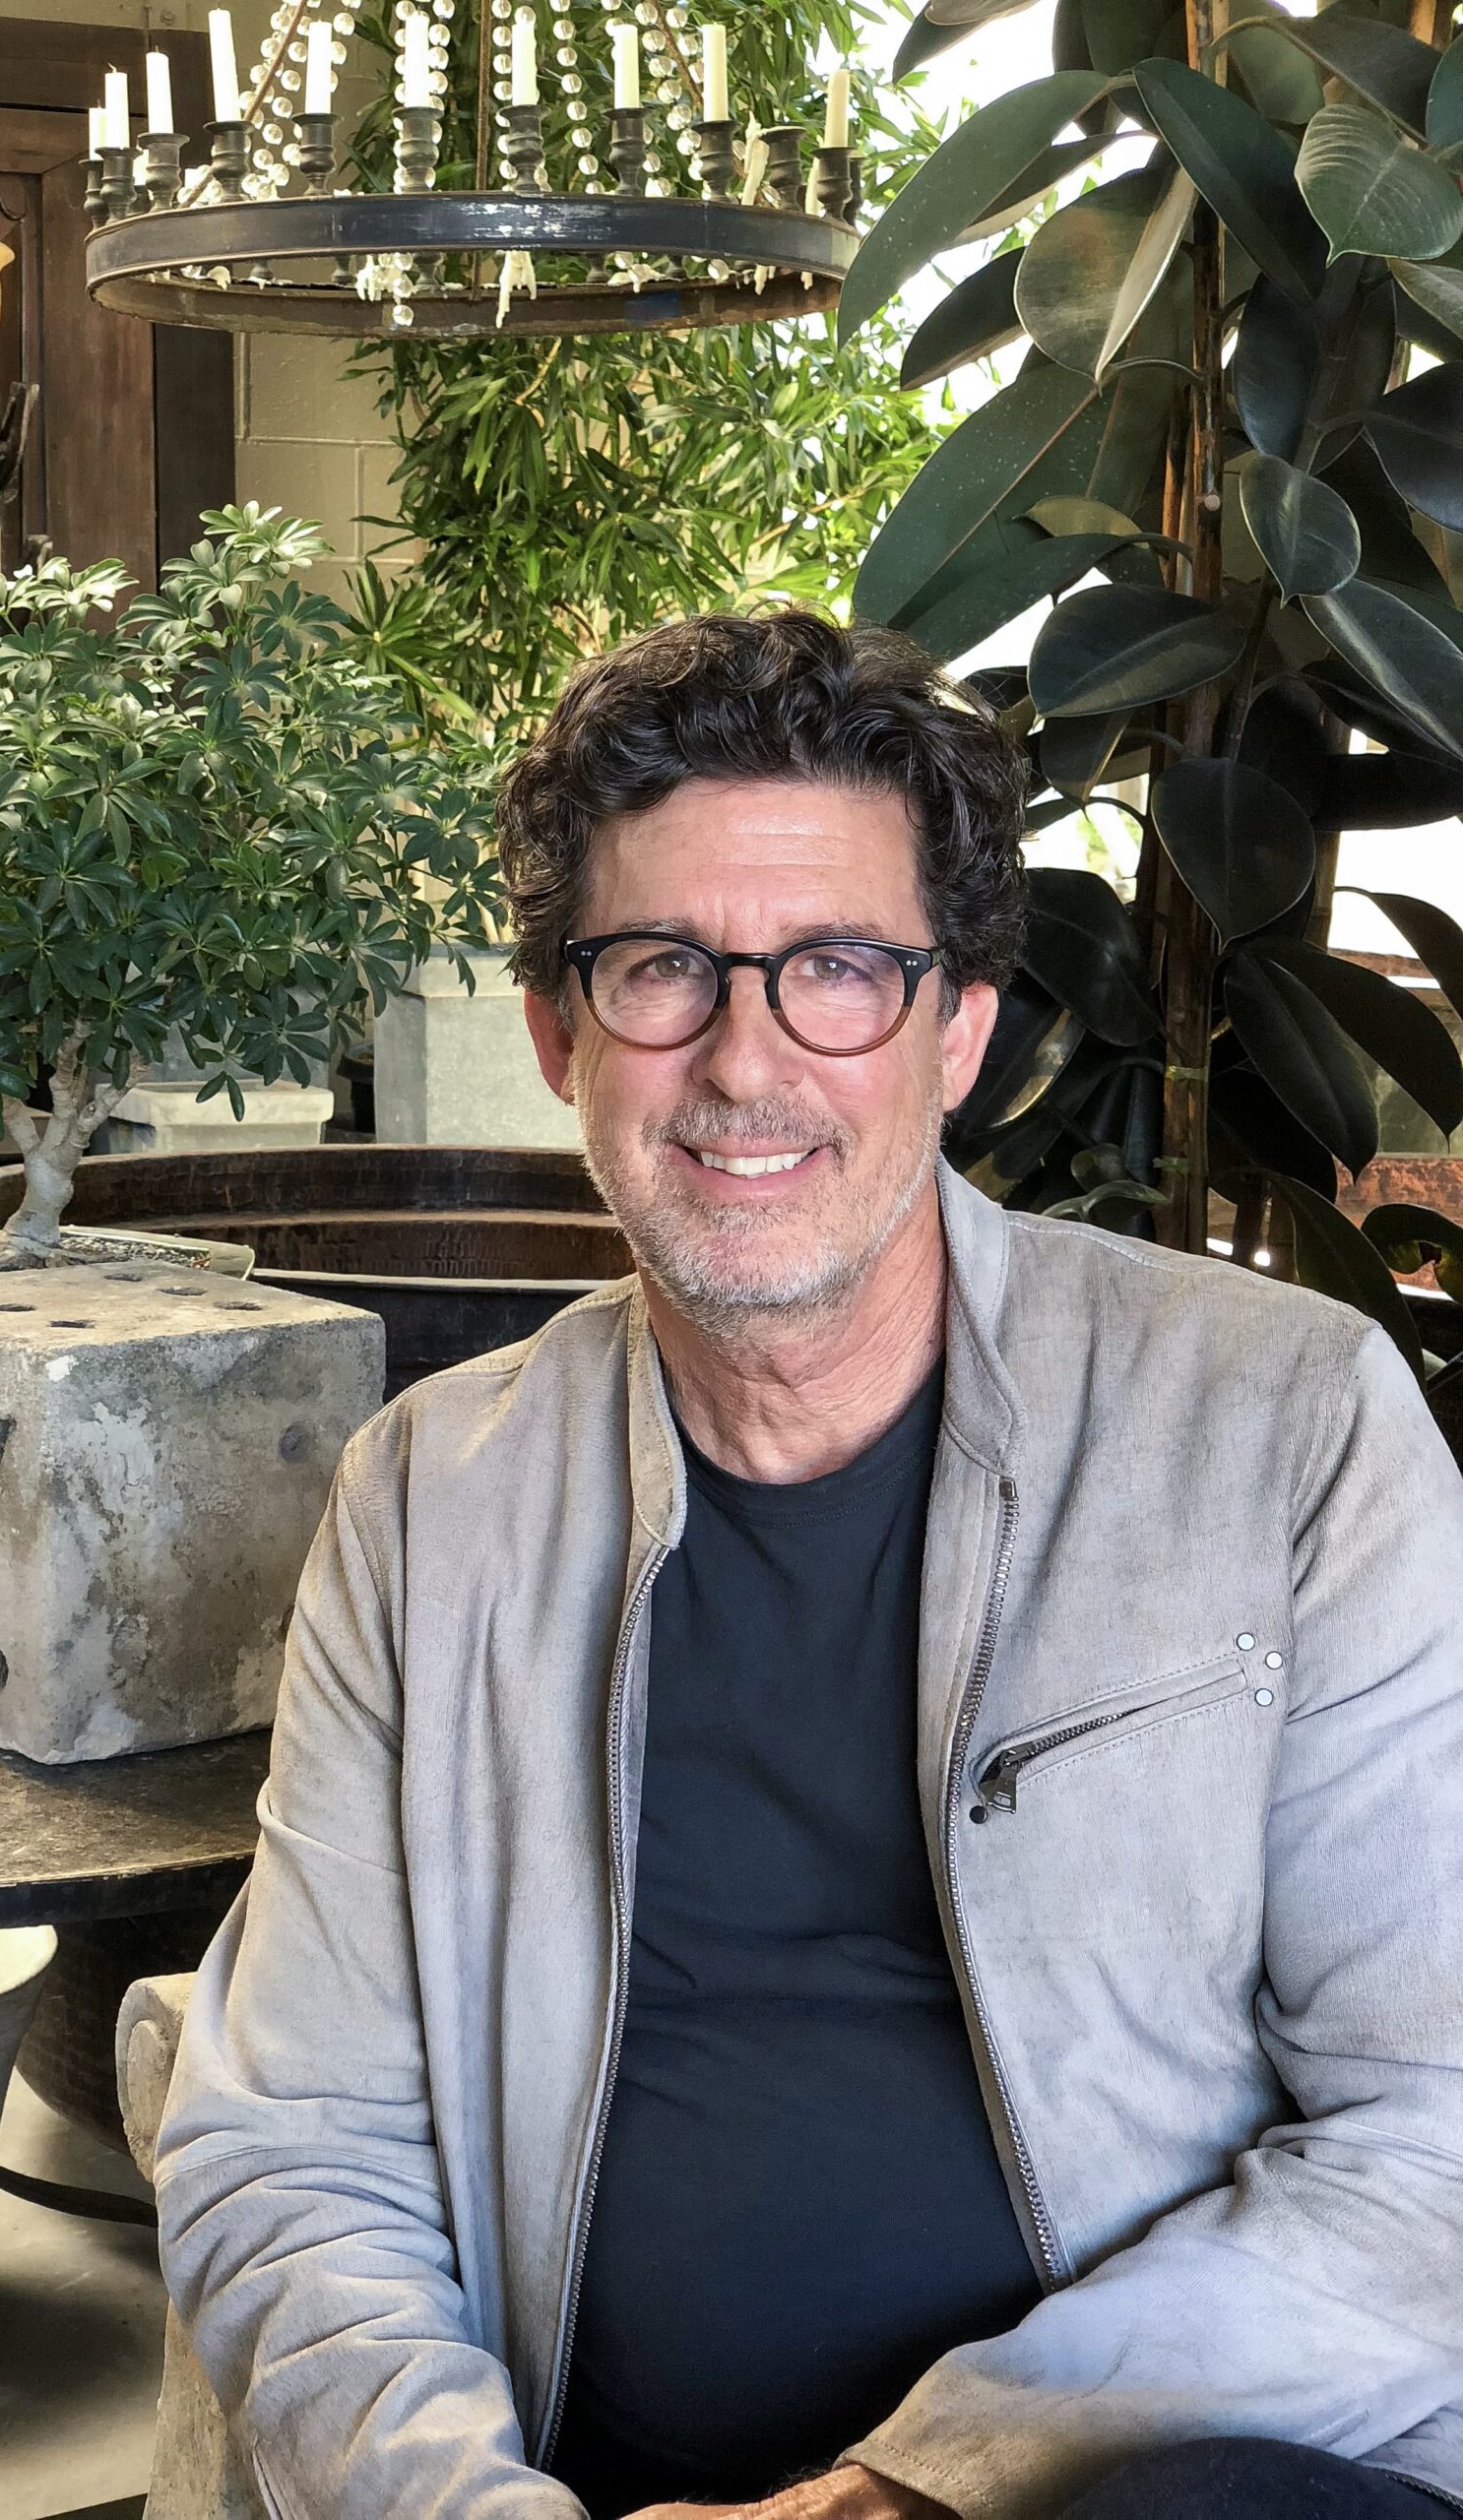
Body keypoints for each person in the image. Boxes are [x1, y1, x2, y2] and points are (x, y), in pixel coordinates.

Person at [155, 611, 1463, 2520]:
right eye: (665, 967)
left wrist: (894, 2498)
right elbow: (291, 2148)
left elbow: (1433, 2141)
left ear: (957, 1028)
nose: (747, 1061)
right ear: (559, 1035)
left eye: (837, 967)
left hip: (1156, 2476)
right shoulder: (433, 1501)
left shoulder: (1285, 1427)